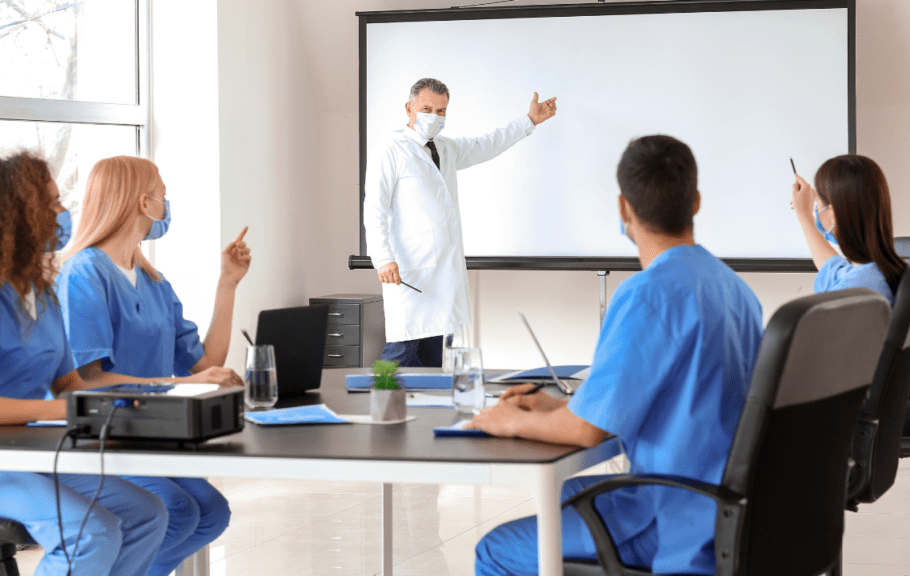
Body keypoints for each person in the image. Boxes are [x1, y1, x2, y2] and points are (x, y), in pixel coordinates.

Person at [470, 135, 763, 575]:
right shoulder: (736, 290)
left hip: (673, 512)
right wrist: (564, 406)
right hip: (731, 501)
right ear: (696, 202)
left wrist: (510, 420)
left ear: (624, 209)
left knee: (496, 550)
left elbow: (587, 433)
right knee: (565, 494)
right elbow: (678, 397)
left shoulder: (646, 295)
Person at [0, 152, 169, 576]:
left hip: (16, 453)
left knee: (146, 513)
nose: (63, 213)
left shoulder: (41, 294)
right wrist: (69, 412)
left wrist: (139, 399)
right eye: (50, 204)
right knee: (91, 533)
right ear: (15, 215)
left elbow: (69, 384)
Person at [56, 155, 249, 576]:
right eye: (162, 194)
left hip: (150, 434)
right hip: (102, 437)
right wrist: (171, 383)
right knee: (176, 507)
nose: (166, 204)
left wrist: (227, 284)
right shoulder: (83, 274)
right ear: (144, 203)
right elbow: (88, 379)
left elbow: (204, 364)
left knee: (212, 512)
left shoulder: (153, 280)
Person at [364, 78, 558, 367]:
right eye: (427, 108)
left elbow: (488, 144)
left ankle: (425, 412)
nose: (435, 116)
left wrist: (529, 120)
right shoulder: (392, 150)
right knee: (399, 357)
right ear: (409, 108)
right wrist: (382, 258)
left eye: (441, 111)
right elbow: (375, 208)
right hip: (410, 275)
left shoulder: (446, 148)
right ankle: (380, 405)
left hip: (443, 279)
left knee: (434, 364)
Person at [791, 154, 905, 305]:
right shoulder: (891, 272)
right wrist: (804, 215)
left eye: (817, 200)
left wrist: (804, 213)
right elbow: (834, 270)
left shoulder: (850, 296)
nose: (816, 207)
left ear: (833, 214)